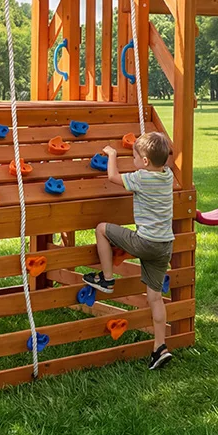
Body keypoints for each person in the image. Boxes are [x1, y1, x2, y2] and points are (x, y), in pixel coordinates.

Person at [83, 131, 175, 370]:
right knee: (155, 298)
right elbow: (164, 157)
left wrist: (112, 154)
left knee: (102, 229)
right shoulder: (167, 175)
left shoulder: (141, 177)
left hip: (145, 242)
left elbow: (113, 177)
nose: (132, 160)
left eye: (134, 157)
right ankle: (160, 347)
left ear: (144, 161)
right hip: (164, 246)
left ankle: (106, 278)